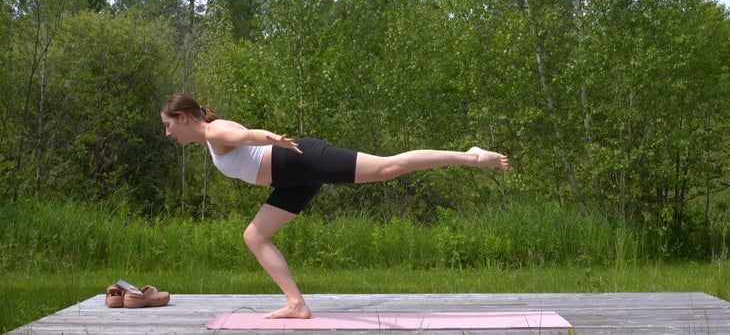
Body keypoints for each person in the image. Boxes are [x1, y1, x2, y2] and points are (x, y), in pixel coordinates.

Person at [160, 93, 511, 319]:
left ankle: (472, 157)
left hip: (300, 162)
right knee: (255, 237)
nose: (167, 133)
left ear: (185, 118)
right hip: (290, 179)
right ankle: (296, 304)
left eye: (168, 125)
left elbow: (246, 136)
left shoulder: (215, 132)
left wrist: (272, 138)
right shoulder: (212, 133)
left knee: (388, 167)